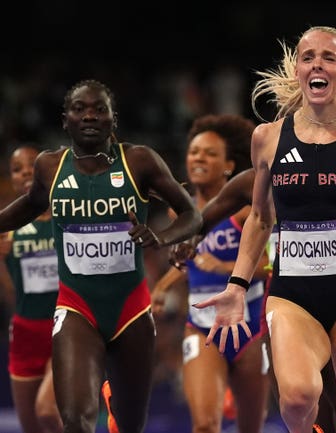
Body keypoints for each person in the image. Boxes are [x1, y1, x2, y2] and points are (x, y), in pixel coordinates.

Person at [194, 26, 336, 433]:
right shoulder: (267, 139)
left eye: (329, 57)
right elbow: (261, 219)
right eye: (308, 57)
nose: (317, 63)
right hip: (293, 293)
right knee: (298, 396)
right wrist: (236, 286)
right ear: (298, 69)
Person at [0, 79, 202, 433]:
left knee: (129, 425)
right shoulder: (49, 167)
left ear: (113, 119)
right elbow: (30, 205)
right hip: (77, 308)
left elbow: (191, 215)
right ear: (66, 120)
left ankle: (114, 404)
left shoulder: (139, 161)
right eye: (80, 109)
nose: (89, 115)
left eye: (99, 109)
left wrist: (160, 237)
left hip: (131, 311)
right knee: (76, 420)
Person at [173, 167, 336, 433]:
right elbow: (206, 216)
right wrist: (189, 238)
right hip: (289, 304)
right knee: (304, 411)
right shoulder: (255, 180)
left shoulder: (331, 172)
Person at [150, 114, 271, 433]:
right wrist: (162, 285)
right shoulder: (180, 212)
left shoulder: (247, 211)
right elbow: (191, 260)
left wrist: (222, 268)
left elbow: (270, 268)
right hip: (202, 329)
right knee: (204, 425)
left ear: (229, 166)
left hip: (251, 328)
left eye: (210, 153)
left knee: (251, 428)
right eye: (194, 152)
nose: (198, 158)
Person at [0, 145, 62, 433]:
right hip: (25, 332)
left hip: (65, 328)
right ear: (11, 178)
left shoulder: (68, 219)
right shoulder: (7, 228)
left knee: (48, 411)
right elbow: (12, 292)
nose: (25, 171)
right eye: (17, 168)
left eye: (30, 165)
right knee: (32, 426)